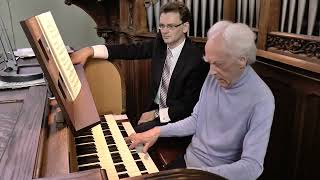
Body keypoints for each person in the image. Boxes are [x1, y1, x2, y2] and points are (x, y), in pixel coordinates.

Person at [126, 21, 275, 180]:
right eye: (209, 63)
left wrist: (198, 175)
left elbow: (252, 167)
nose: (211, 71)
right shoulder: (214, 77)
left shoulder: (262, 99)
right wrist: (157, 131)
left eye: (218, 64)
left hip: (214, 176)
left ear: (242, 60)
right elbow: (196, 119)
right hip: (188, 164)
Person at [71, 2, 209, 132]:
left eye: (171, 26)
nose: (165, 31)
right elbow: (130, 50)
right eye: (162, 25)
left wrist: (156, 114)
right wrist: (91, 50)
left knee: (129, 140)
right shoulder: (160, 42)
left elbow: (188, 106)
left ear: (185, 27)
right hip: (154, 109)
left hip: (177, 120)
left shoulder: (197, 60)